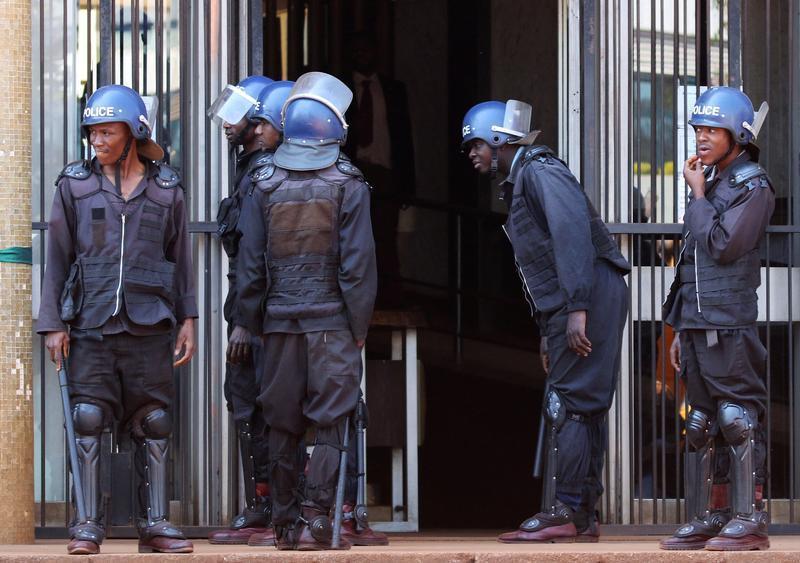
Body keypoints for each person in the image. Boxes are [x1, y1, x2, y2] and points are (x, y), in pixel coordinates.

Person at [37, 84, 197, 555]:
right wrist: (52, 323)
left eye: (107, 131)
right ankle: (87, 524)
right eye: (93, 132)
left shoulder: (166, 190)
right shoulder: (74, 186)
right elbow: (57, 258)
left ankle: (156, 524)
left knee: (155, 422)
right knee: (87, 419)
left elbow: (182, 260)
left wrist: (189, 318)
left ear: (133, 134)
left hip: (150, 326)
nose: (97, 140)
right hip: (90, 324)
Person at [460, 100, 630, 543]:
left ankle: (565, 510)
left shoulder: (540, 171)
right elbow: (544, 262)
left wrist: (577, 308)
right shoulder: (524, 177)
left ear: (499, 139)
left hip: (589, 293)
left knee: (568, 402)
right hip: (579, 297)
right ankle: (582, 514)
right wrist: (547, 325)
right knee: (582, 404)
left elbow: (572, 234)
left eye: (476, 144)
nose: (472, 153)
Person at [237, 71, 377, 551]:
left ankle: (284, 524)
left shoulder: (263, 183)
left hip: (279, 323)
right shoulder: (349, 184)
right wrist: (358, 326)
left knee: (282, 422)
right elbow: (358, 267)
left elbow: (250, 266)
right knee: (333, 420)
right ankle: (317, 520)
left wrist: (255, 322)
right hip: (333, 324)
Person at [659, 87, 773, 552]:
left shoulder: (752, 186)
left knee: (736, 418)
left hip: (728, 322)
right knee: (701, 422)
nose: (702, 138)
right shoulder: (714, 182)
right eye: (698, 130)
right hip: (698, 323)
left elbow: (723, 246)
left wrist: (698, 195)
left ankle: (750, 518)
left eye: (713, 130)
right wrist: (679, 326)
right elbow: (692, 262)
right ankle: (714, 515)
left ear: (738, 136)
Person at [206, 75, 280, 546]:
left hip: (261, 316)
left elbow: (258, 257)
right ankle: (262, 504)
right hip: (251, 309)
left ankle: (271, 508)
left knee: (258, 406)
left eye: (237, 115)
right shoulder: (249, 168)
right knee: (246, 405)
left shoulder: (263, 174)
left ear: (260, 121)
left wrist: (246, 323)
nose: (227, 123)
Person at [343, 31, 415, 308]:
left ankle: (388, 298)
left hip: (385, 173)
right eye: (356, 49)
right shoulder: (342, 89)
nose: (362, 54)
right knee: (353, 236)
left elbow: (404, 138)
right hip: (351, 172)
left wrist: (408, 183)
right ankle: (356, 298)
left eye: (367, 49)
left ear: (376, 53)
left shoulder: (393, 89)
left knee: (385, 237)